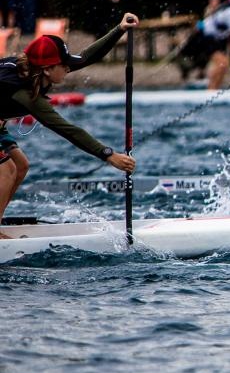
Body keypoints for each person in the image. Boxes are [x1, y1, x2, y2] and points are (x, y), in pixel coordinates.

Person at [0, 19, 140, 227]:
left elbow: (84, 58)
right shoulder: (26, 93)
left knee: (21, 166)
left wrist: (119, 29)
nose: (69, 68)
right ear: (48, 69)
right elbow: (66, 129)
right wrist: (108, 154)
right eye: (64, 64)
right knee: (7, 170)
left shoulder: (38, 69)